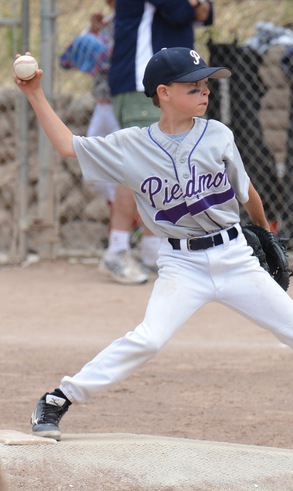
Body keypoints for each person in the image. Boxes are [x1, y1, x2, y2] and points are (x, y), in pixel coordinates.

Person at [15, 47, 293, 446]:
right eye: (193, 87)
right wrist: (35, 93)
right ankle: (57, 399)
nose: (204, 92)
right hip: (180, 263)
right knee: (149, 339)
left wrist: (267, 234)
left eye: (206, 85)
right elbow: (68, 145)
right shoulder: (130, 146)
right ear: (163, 93)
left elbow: (247, 193)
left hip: (234, 257)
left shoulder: (218, 135)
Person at [102, 0, 214, 283]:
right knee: (137, 165)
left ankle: (153, 253)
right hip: (143, 86)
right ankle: (117, 250)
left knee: (163, 167)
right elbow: (178, 11)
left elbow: (205, 13)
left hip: (168, 86)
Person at [60, 0, 147, 284]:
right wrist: (91, 32)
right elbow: (68, 60)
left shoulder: (135, 20)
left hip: (121, 104)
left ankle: (122, 238)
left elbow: (116, 58)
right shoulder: (109, 22)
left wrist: (99, 40)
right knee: (97, 176)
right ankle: (125, 223)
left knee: (125, 171)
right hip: (104, 106)